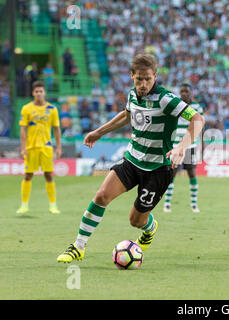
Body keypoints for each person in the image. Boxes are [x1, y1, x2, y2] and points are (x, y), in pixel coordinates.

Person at [57, 54, 205, 263]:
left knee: (135, 220)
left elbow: (198, 119)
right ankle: (78, 246)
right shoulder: (132, 95)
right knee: (101, 196)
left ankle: (150, 228)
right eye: (139, 80)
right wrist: (99, 132)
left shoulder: (166, 99)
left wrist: (181, 147)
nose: (143, 84)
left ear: (155, 75)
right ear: (131, 76)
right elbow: (127, 115)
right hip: (132, 160)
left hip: (158, 169)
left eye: (148, 79)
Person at [16, 81, 62, 215]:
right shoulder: (26, 108)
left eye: (41, 91)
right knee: (28, 175)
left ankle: (53, 206)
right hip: (31, 148)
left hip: (46, 147)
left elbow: (57, 129)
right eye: (36, 91)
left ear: (44, 93)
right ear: (33, 93)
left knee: (48, 175)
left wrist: (58, 147)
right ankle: (24, 205)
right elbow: (23, 130)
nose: (39, 94)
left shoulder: (52, 109)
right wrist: (23, 148)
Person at [163, 83, 204, 213]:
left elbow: (200, 127)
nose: (184, 94)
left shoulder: (197, 107)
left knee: (192, 173)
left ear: (191, 92)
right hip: (175, 146)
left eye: (186, 91)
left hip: (190, 146)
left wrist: (202, 145)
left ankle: (194, 204)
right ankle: (167, 204)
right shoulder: (176, 106)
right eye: (182, 91)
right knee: (172, 174)